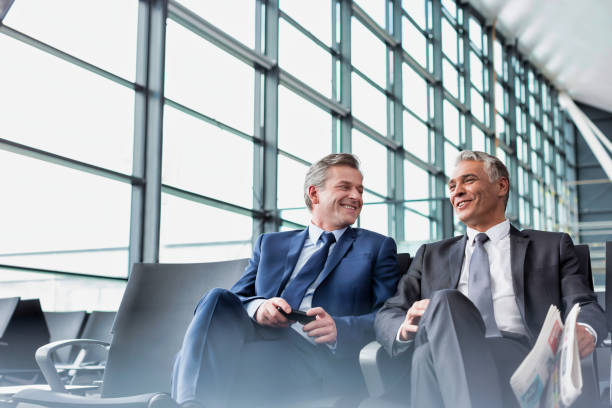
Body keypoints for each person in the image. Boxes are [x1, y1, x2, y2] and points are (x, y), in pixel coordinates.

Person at [375, 150, 605, 408]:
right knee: (444, 308)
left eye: (468, 180)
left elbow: (584, 304)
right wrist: (403, 328)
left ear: (501, 186)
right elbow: (389, 312)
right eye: (452, 186)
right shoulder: (430, 255)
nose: (456, 191)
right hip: (443, 354)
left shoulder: (551, 246)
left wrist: (586, 329)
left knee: (425, 357)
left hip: (521, 357)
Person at [172, 153, 400, 408]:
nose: (357, 197)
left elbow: (389, 316)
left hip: (315, 354)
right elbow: (236, 299)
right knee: (216, 297)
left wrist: (340, 328)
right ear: (314, 195)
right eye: (345, 187)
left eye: (359, 189)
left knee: (194, 361)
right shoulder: (270, 244)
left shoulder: (377, 246)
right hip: (260, 336)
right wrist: (259, 308)